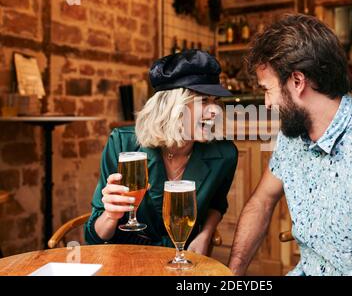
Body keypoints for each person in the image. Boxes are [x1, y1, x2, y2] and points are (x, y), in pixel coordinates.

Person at [228, 14, 352, 276]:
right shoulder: (294, 136)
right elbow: (262, 202)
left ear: (297, 82)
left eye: (267, 90)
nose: (267, 104)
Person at [84, 50, 238, 255]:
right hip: (125, 254)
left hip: (183, 256)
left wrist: (205, 234)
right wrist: (111, 215)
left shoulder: (225, 154)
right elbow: (93, 236)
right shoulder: (123, 143)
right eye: (203, 101)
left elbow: (217, 204)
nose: (214, 111)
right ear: (172, 106)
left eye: (215, 101)